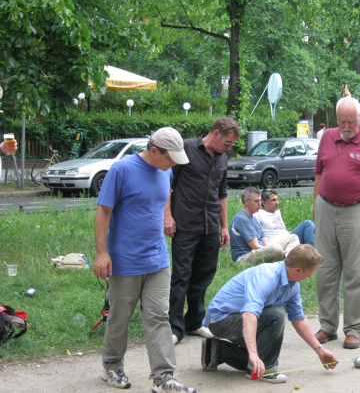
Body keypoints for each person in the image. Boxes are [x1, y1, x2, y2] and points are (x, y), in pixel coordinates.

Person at [93, 127, 197, 393]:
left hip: (158, 260)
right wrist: (102, 253)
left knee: (159, 317)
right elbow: (104, 212)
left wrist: (167, 215)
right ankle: (112, 365)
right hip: (125, 260)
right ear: (153, 151)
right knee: (120, 317)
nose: (173, 164)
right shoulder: (122, 170)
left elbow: (163, 197)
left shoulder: (166, 171)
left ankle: (165, 377)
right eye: (170, 158)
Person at [200, 244, 339, 384]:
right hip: (221, 320)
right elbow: (249, 315)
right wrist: (254, 354)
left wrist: (320, 350)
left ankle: (216, 350)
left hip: (237, 318)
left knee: (265, 352)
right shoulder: (266, 277)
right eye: (310, 273)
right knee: (276, 317)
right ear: (298, 269)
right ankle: (266, 369)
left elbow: (299, 320)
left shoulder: (293, 285)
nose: (310, 276)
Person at [313, 97, 360, 350]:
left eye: (351, 121)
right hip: (326, 209)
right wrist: (316, 204)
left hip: (357, 211)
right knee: (324, 270)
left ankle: (353, 329)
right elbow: (319, 173)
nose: (346, 126)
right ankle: (327, 325)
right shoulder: (327, 137)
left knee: (355, 272)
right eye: (342, 121)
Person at [165, 118, 241, 345]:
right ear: (216, 133)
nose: (229, 148)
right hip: (186, 224)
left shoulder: (223, 158)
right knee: (181, 276)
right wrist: (167, 216)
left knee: (204, 275)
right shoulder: (186, 149)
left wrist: (224, 226)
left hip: (210, 226)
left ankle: (194, 322)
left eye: (232, 144)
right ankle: (174, 327)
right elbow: (168, 184)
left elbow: (222, 194)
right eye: (227, 143)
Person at [229, 187, 297, 264]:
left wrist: (273, 250)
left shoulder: (254, 218)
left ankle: (286, 258)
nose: (260, 204)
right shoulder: (241, 218)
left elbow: (265, 241)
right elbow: (255, 246)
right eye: (256, 201)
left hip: (258, 252)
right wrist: (275, 251)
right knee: (276, 249)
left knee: (293, 238)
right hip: (245, 257)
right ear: (246, 201)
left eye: (260, 200)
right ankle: (287, 260)